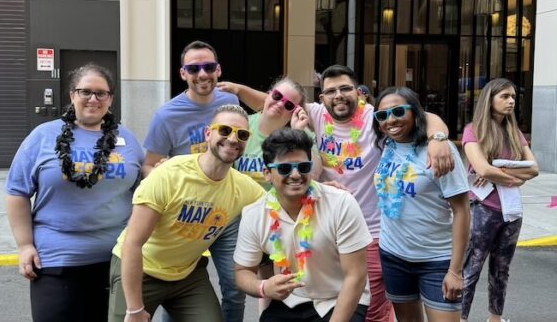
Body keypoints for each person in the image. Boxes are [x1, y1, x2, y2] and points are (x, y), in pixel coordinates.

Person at [219, 64, 454, 322]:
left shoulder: (373, 118)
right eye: (331, 91)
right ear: (321, 98)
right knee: (298, 286)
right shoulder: (317, 115)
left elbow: (421, 116)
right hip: (316, 217)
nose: (338, 95)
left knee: (372, 307)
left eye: (345, 88)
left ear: (359, 93)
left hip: (371, 227)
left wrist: (439, 138)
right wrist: (240, 90)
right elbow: (275, 102)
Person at [5, 63, 144, 322]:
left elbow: (144, 190)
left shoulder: (128, 138)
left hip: (116, 261)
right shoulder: (43, 136)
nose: (93, 99)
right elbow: (16, 191)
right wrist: (24, 245)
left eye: (101, 93)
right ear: (72, 95)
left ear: (110, 99)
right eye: (85, 92)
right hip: (57, 261)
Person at [108, 104, 265, 322]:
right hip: (142, 270)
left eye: (242, 134)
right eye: (225, 130)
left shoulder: (244, 188)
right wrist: (135, 310)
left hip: (186, 275)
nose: (233, 139)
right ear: (208, 134)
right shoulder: (170, 175)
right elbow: (132, 243)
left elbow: (279, 204)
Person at [142, 40, 243, 321]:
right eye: (194, 68)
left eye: (208, 67)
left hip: (226, 211)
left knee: (235, 287)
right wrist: (168, 178)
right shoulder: (167, 115)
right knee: (176, 285)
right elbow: (149, 166)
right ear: (183, 73)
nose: (202, 74)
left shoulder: (231, 103)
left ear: (218, 70)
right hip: (186, 215)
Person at [234, 128, 372, 322]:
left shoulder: (341, 203)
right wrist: (264, 287)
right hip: (289, 302)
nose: (296, 174)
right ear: (267, 173)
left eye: (303, 167)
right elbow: (242, 272)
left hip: (338, 298)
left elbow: (356, 276)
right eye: (284, 169)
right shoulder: (254, 214)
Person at [372, 86, 470, 322]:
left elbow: (462, 210)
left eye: (398, 111)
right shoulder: (387, 145)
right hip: (393, 256)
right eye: (382, 115)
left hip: (436, 260)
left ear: (415, 113)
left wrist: (455, 271)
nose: (390, 120)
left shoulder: (439, 152)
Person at [460, 78, 538, 322]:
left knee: (501, 269)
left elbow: (534, 169)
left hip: (512, 211)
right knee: (471, 268)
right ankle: (459, 318)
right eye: (504, 96)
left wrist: (501, 175)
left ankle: (495, 318)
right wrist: (514, 175)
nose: (511, 101)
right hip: (483, 208)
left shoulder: (514, 133)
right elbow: (482, 169)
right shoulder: (474, 130)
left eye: (513, 96)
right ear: (489, 99)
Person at [234, 77, 321, 187]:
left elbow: (314, 175)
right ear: (268, 95)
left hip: (278, 203)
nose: (280, 104)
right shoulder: (243, 125)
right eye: (277, 96)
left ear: (294, 112)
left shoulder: (302, 133)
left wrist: (297, 134)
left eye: (288, 105)